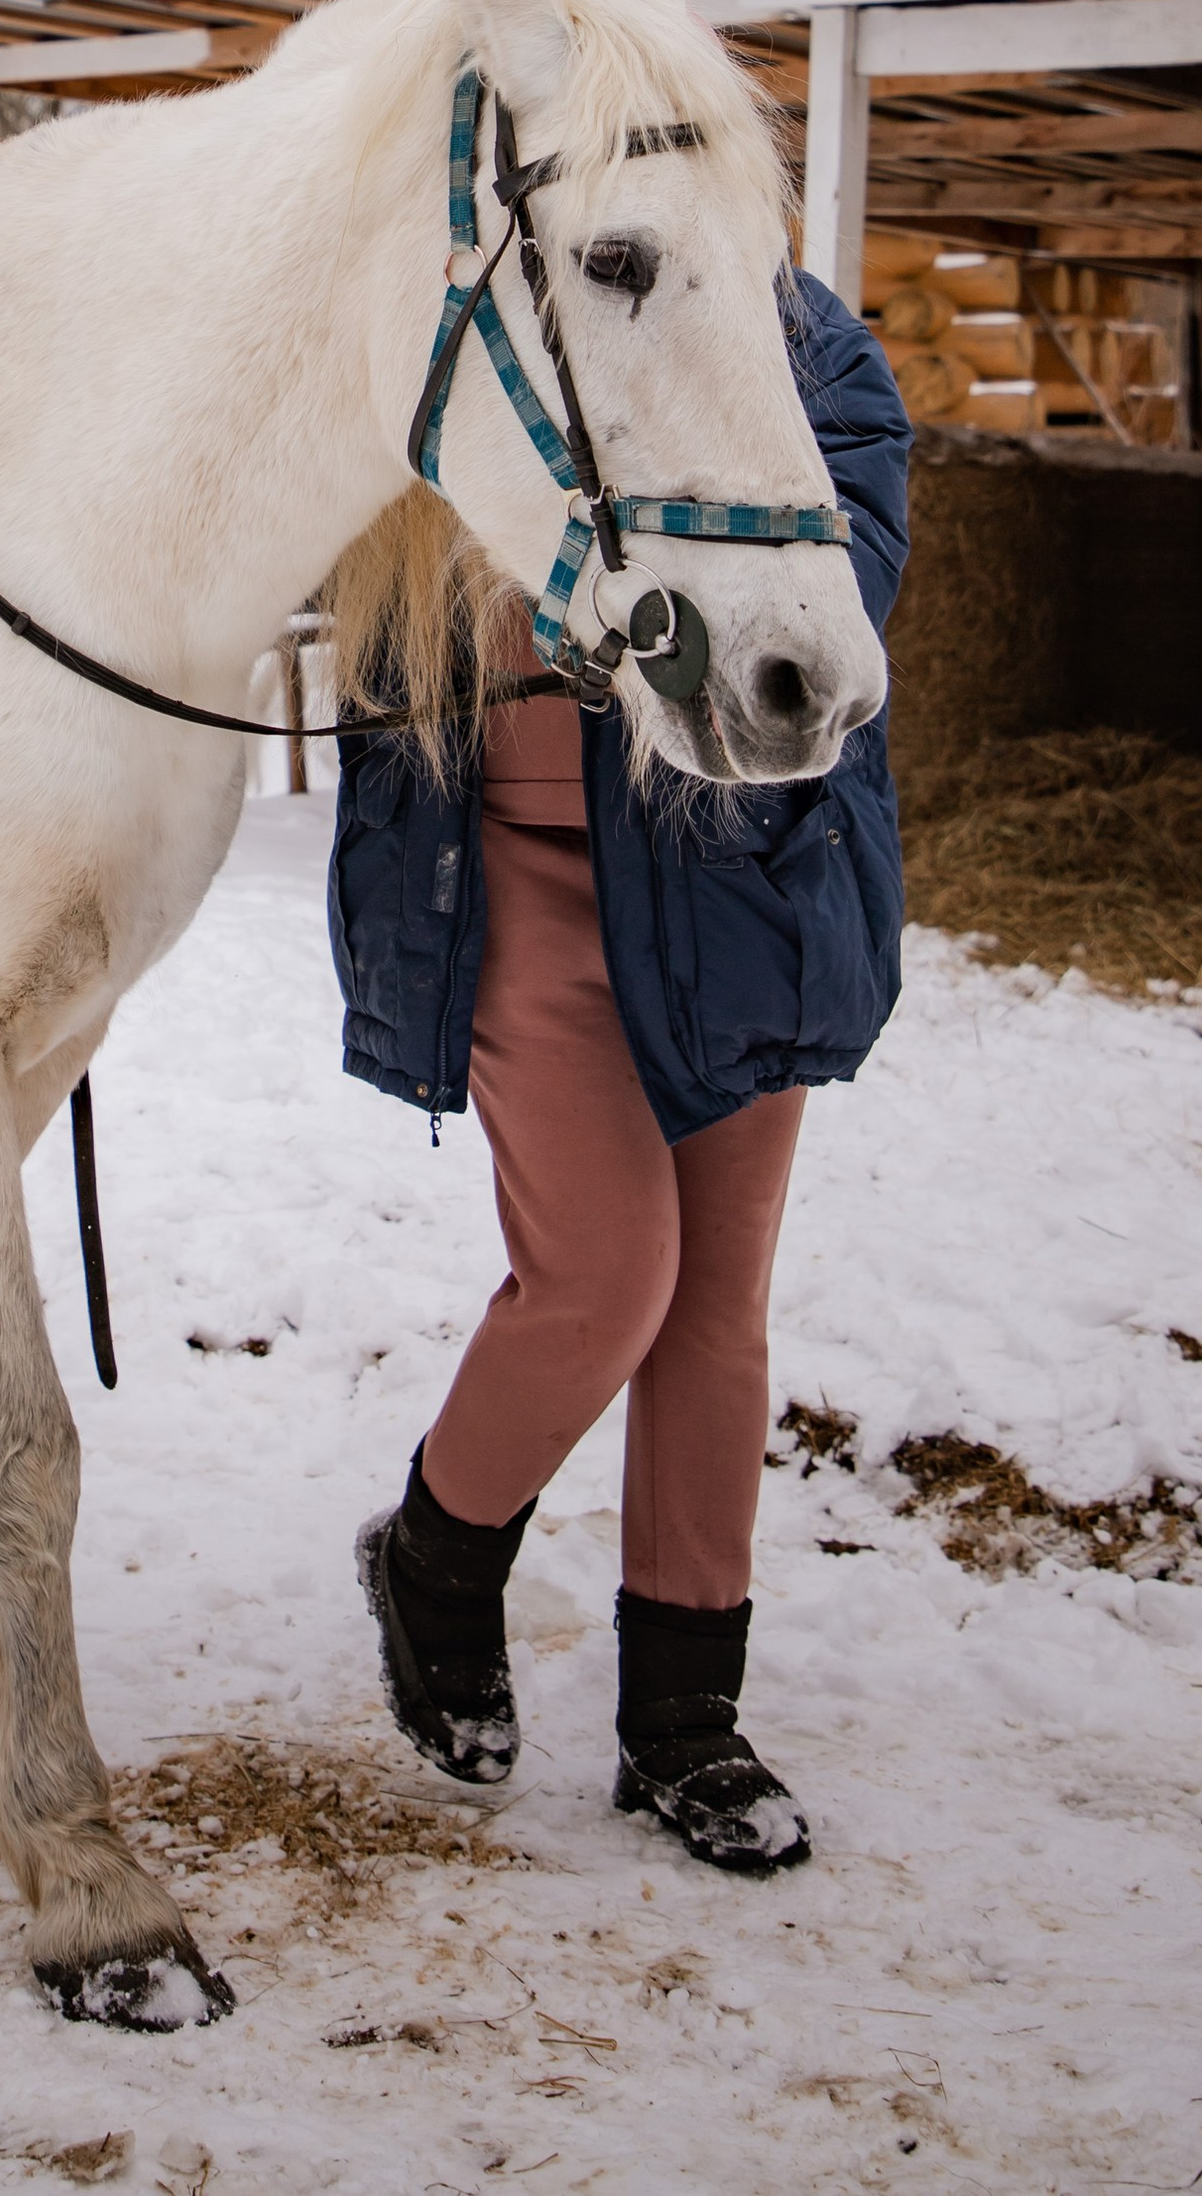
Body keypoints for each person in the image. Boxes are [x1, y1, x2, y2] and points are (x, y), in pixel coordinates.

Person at [330, 266, 907, 1874]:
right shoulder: (466, 354)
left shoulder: (806, 350)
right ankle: (438, 1564)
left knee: (715, 1304)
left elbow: (845, 564)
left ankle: (685, 1726)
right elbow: (349, 561)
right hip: (519, 892)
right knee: (605, 1276)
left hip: (736, 891)